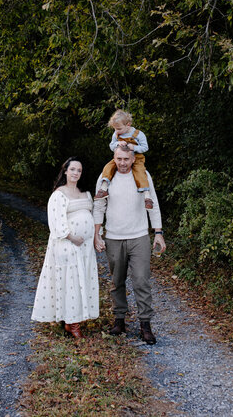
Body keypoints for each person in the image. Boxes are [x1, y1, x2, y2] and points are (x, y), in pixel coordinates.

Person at [93, 146, 165, 345]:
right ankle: (119, 320)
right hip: (114, 237)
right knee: (117, 281)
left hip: (139, 236)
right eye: (118, 159)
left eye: (126, 159)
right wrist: (97, 234)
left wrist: (158, 233)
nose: (122, 163)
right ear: (113, 158)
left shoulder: (142, 175)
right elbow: (99, 206)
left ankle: (145, 324)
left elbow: (154, 204)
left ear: (134, 159)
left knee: (141, 280)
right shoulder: (106, 177)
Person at [31, 157, 100, 338]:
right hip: (67, 244)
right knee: (70, 282)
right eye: (73, 169)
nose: (76, 173)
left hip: (85, 248)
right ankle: (71, 323)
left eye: (79, 170)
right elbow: (56, 222)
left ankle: (75, 318)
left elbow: (92, 215)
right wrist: (71, 237)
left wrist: (94, 237)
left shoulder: (85, 193)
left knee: (81, 281)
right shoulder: (58, 194)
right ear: (66, 171)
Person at [94, 109, 153, 210]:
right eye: (115, 129)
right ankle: (103, 189)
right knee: (108, 167)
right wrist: (117, 144)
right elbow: (111, 146)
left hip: (137, 158)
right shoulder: (116, 134)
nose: (117, 131)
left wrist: (133, 147)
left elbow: (145, 147)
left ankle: (147, 197)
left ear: (128, 124)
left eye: (119, 128)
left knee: (140, 172)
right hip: (121, 158)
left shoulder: (138, 134)